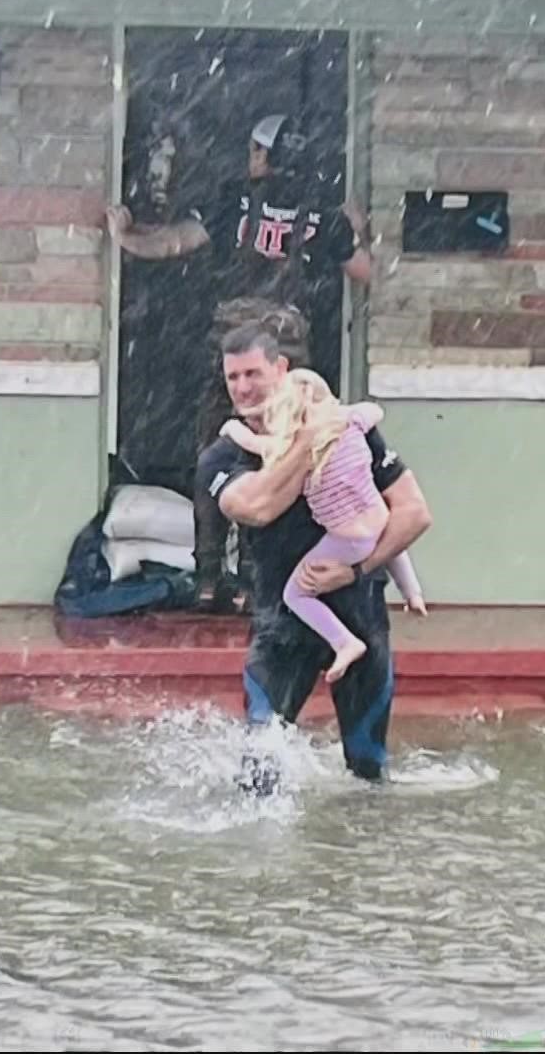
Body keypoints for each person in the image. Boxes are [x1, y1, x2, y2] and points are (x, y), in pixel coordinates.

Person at [107, 112, 373, 610]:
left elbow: (174, 241)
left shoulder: (233, 199)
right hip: (287, 355)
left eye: (255, 149)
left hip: (231, 348)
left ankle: (209, 578)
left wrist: (125, 237)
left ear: (264, 155)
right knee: (279, 462)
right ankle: (259, 579)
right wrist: (356, 230)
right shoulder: (323, 211)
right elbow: (364, 270)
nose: (250, 157)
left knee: (216, 455)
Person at [195, 321, 434, 788]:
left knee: (368, 779)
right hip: (283, 626)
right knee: (258, 776)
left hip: (359, 618)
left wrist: (355, 570)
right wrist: (308, 441)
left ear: (282, 369)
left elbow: (413, 512)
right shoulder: (223, 457)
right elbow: (259, 507)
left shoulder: (349, 429)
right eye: (232, 378)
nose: (242, 388)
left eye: (253, 374)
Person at [218, 368, 426, 682]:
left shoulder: (296, 446)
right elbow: (375, 410)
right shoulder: (352, 422)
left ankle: (345, 642)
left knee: (296, 595)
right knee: (391, 537)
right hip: (377, 520)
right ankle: (413, 593)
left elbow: (255, 444)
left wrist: (233, 427)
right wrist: (343, 413)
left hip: (348, 539)